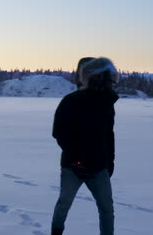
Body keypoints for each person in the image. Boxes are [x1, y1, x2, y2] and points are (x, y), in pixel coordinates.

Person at [51, 57, 120, 235]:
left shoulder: (107, 103)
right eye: (96, 75)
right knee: (64, 204)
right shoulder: (70, 101)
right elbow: (60, 133)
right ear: (86, 76)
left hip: (99, 167)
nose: (102, 79)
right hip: (73, 168)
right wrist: (78, 161)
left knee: (107, 209)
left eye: (103, 76)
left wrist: (109, 162)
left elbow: (108, 135)